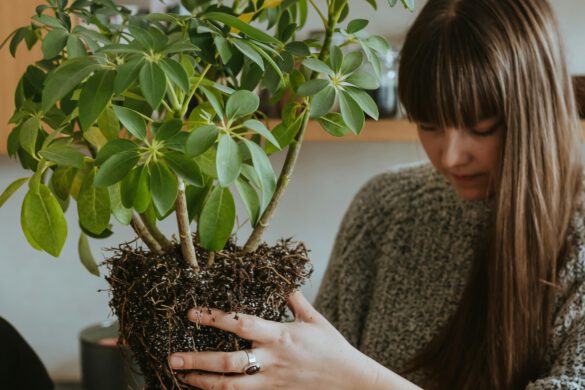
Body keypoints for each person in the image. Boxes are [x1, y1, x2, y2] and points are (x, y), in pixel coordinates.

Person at [167, 0, 585, 388]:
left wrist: (351, 376)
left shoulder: (577, 234)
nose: (451, 156)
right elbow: (310, 371)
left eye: (481, 127)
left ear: (537, 107)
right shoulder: (386, 206)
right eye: (429, 125)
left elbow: (333, 372)